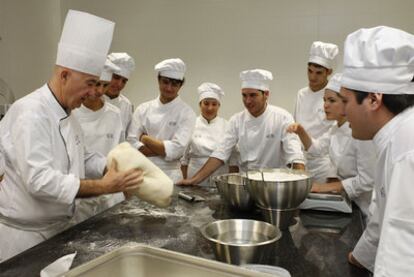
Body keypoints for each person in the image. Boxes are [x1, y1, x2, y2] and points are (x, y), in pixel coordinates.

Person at [0, 10, 142, 262]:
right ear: (64, 75)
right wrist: (104, 186)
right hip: (23, 240)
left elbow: (81, 157)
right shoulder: (32, 112)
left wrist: (108, 165)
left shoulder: (69, 114)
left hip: (56, 231)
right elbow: (40, 181)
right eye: (89, 83)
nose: (92, 93)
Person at [339, 26, 414, 276]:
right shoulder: (394, 135)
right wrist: (360, 258)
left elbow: (403, 245)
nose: (342, 111)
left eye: (345, 101)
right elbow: (382, 218)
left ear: (373, 99)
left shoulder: (405, 145)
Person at [178, 69, 305, 186]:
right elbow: (220, 153)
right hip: (246, 183)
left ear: (266, 94)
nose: (248, 101)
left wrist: (300, 185)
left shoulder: (282, 118)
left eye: (253, 95)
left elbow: (295, 156)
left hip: (274, 185)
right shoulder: (236, 121)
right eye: (244, 95)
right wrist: (194, 180)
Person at [288, 73, 375, 218]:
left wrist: (326, 187)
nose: (325, 105)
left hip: (365, 208)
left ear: (347, 102)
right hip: (350, 202)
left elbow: (366, 180)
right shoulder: (335, 128)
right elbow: (316, 150)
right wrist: (300, 130)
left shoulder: (361, 133)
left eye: (331, 100)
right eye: (324, 100)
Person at [71, 59, 125, 223]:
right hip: (82, 192)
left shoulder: (114, 114)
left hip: (111, 193)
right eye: (96, 84)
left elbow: (121, 150)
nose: (100, 90)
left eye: (105, 85)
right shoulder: (73, 113)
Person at [127, 58, 196, 183]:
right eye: (165, 82)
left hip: (170, 175)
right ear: (158, 80)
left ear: (181, 85)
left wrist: (144, 139)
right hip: (142, 174)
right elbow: (131, 142)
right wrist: (163, 150)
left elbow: (176, 151)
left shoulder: (187, 113)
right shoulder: (143, 109)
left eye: (174, 84)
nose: (169, 88)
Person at [294, 41, 339, 183]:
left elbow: (332, 138)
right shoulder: (301, 94)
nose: (312, 77)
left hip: (323, 165)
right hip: (302, 161)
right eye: (310, 71)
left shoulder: (334, 97)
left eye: (318, 73)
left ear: (329, 72)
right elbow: (295, 127)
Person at [180, 82, 239, 187]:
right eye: (206, 103)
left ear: (219, 105)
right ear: (200, 104)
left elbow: (233, 160)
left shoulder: (228, 126)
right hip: (194, 176)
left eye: (214, 104)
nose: (210, 108)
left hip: (221, 176)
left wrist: (232, 185)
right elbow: (183, 160)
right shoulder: (190, 125)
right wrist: (184, 181)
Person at [105, 52, 135, 140]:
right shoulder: (90, 99)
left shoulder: (127, 105)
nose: (119, 84)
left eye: (124, 81)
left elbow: (128, 137)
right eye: (116, 77)